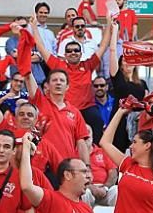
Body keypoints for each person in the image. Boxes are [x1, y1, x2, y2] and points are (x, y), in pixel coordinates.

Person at [29, 15, 112, 143]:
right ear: (65, 54)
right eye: (69, 51)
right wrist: (34, 27)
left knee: (97, 120)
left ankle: (97, 154)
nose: (73, 53)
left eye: (76, 50)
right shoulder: (59, 65)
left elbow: (103, 46)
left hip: (87, 108)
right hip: (65, 108)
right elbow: (41, 47)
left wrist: (109, 23)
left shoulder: (88, 65)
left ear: (80, 53)